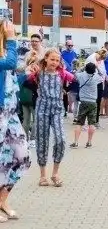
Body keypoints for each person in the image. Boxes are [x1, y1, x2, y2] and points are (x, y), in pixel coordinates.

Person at [28, 49, 74, 188]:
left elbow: (74, 81)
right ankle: (42, 176)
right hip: (42, 109)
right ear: (46, 59)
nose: (54, 62)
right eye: (52, 59)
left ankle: (55, 173)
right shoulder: (38, 74)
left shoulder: (62, 73)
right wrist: (30, 67)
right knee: (42, 141)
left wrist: (66, 89)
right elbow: (26, 80)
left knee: (60, 139)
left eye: (57, 60)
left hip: (57, 109)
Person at [0, 20, 29, 221]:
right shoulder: (7, 54)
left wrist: (26, 73)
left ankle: (2, 200)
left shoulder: (4, 55)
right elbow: (10, 63)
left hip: (10, 114)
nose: (11, 34)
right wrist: (11, 41)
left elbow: (10, 79)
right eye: (7, 32)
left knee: (22, 156)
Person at [70, 62, 101, 148]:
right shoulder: (96, 77)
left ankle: (76, 142)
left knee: (79, 123)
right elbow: (102, 76)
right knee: (92, 123)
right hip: (93, 102)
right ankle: (89, 142)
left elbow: (75, 74)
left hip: (83, 101)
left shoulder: (81, 75)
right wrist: (97, 68)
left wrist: (82, 68)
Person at [16, 57, 37, 149]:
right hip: (33, 100)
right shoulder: (34, 75)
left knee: (26, 120)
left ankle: (25, 139)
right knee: (36, 120)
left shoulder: (22, 75)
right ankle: (33, 139)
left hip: (23, 99)